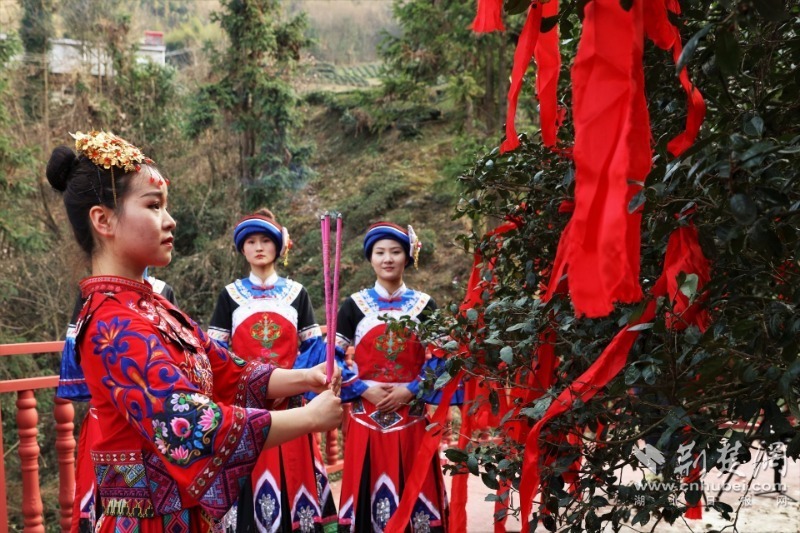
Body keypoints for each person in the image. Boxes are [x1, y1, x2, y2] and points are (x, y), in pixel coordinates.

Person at [45, 130, 342, 532]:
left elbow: (227, 371)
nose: (170, 220)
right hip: (147, 521)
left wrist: (306, 377)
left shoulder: (157, 308)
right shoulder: (111, 323)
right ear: (103, 220)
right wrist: (308, 417)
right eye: (154, 205)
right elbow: (189, 426)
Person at [209, 209, 337, 532]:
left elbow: (313, 349)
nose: (258, 247)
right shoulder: (230, 296)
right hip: (246, 409)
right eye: (251, 241)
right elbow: (216, 354)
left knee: (297, 480)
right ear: (242, 249)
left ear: (279, 247)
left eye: (265, 240)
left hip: (291, 406)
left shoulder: (297, 294)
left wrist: (293, 383)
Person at [335, 222, 458, 533]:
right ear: (370, 258)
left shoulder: (424, 305)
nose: (387, 259)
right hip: (366, 416)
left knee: (416, 491)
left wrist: (412, 390)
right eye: (380, 252)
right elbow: (331, 358)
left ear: (408, 257)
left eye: (395, 252)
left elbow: (444, 356)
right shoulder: (353, 305)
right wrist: (362, 388)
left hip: (411, 416)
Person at [57, 275, 177, 533]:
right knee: (110, 507)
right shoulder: (90, 294)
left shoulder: (162, 292)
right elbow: (78, 370)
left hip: (162, 424)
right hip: (113, 423)